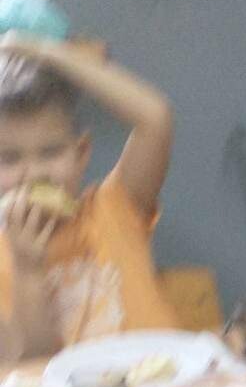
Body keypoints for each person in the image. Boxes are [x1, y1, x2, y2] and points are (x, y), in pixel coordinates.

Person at [0, 32, 177, 355]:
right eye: (9, 159)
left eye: (51, 152)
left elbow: (156, 117)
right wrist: (27, 271)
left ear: (81, 153)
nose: (35, 173)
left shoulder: (116, 207)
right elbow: (32, 365)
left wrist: (46, 52)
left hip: (171, 380)